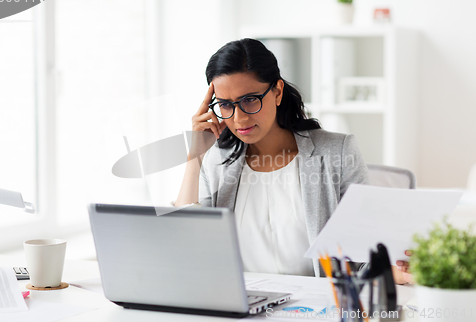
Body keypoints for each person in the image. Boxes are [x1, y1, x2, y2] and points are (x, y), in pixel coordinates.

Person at [175, 38, 411, 283]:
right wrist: (195, 156)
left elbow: (363, 257)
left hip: (317, 307)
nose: (239, 117)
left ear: (277, 91)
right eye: (225, 105)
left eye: (250, 100)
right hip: (244, 306)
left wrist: (401, 271)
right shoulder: (216, 163)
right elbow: (184, 245)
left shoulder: (337, 152)